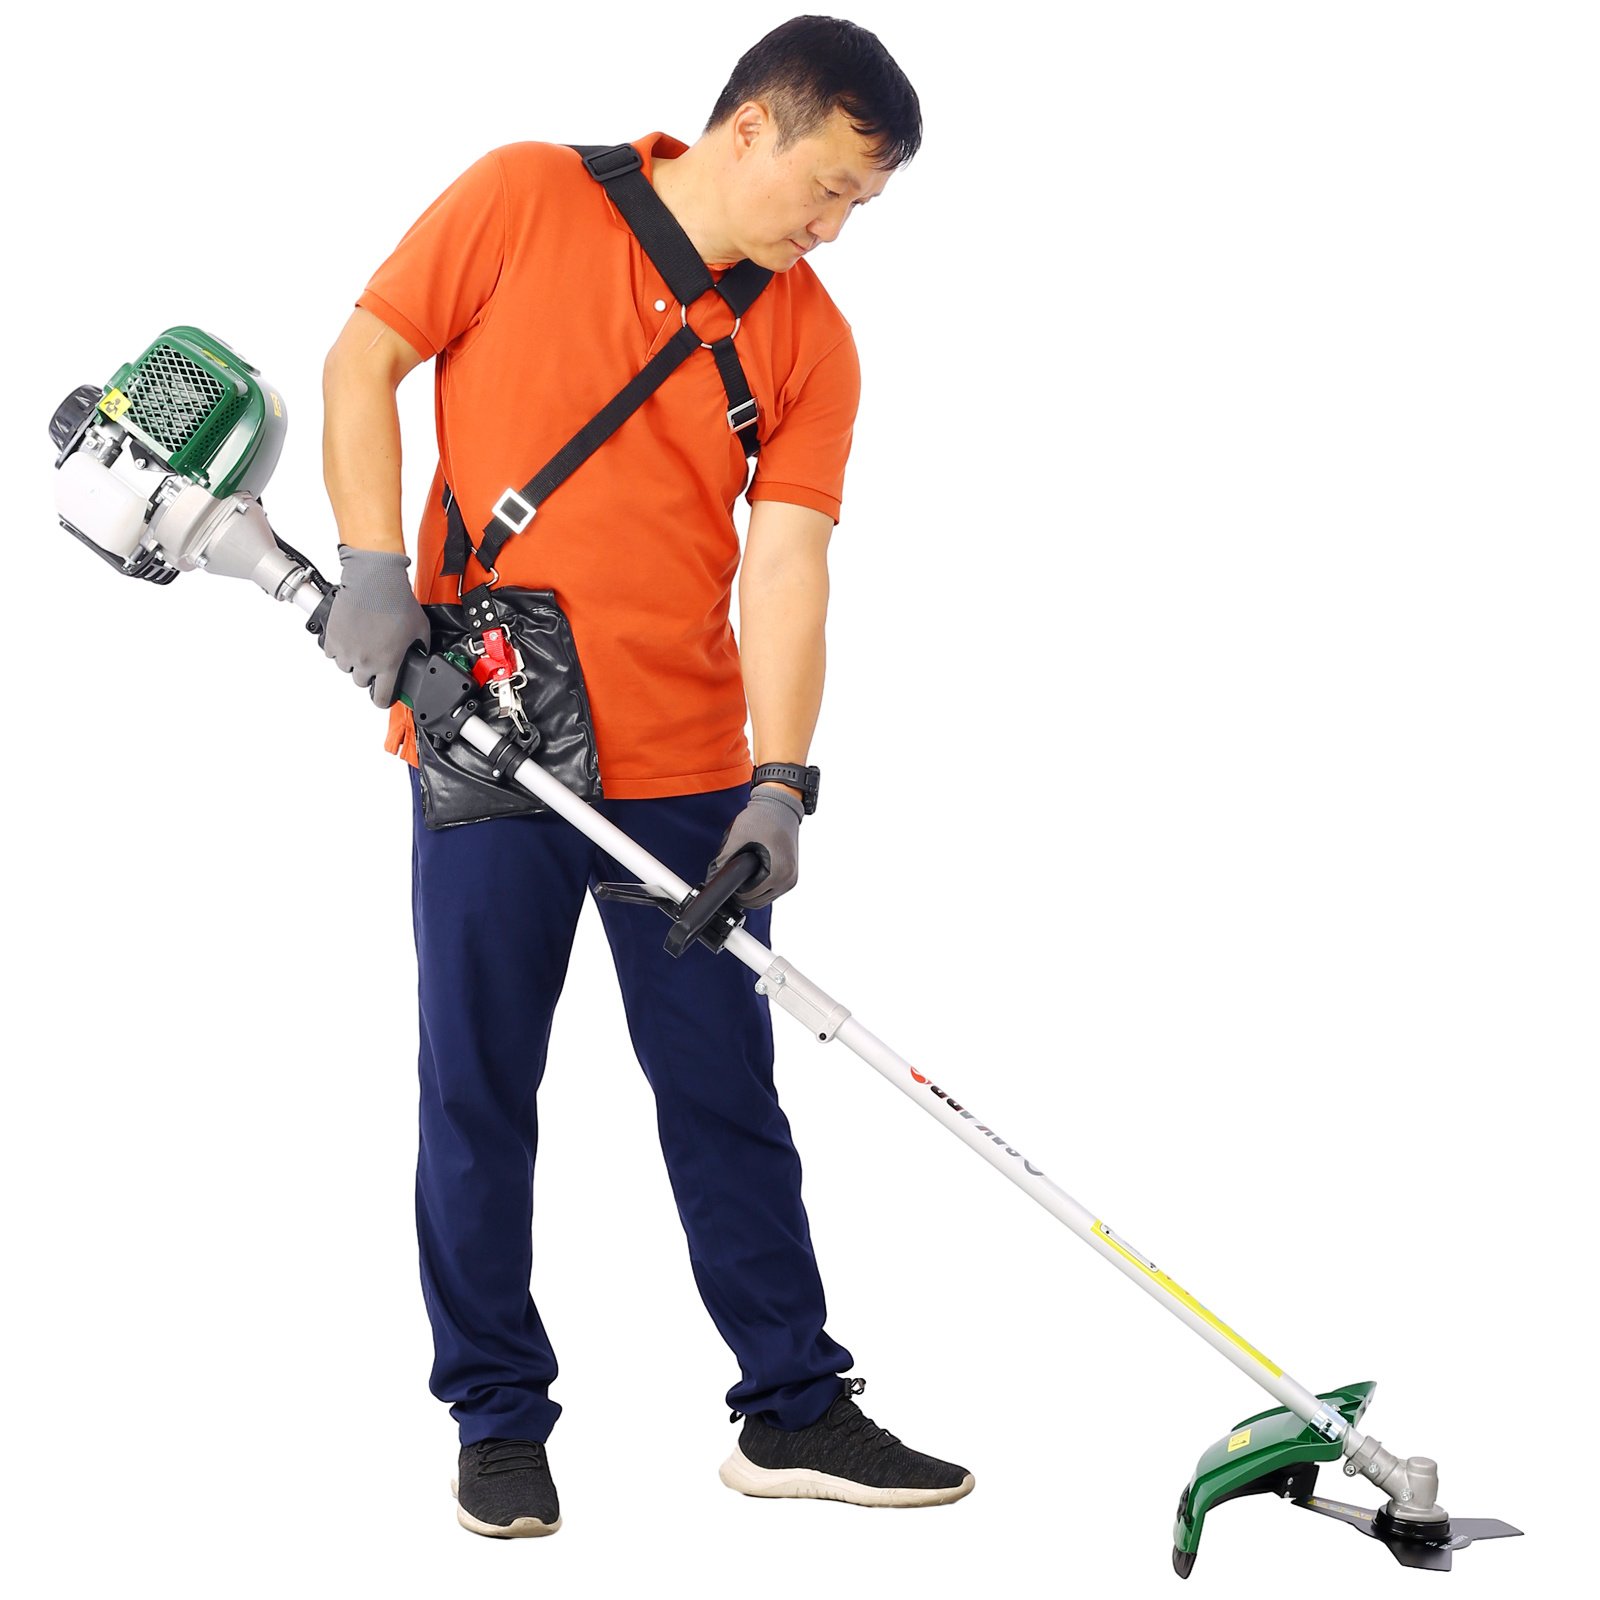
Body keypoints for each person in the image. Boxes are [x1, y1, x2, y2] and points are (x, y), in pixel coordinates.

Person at [320, 14, 971, 1538]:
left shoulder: (811, 338)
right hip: (493, 730)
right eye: (827, 188)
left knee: (725, 1093)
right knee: (479, 1085)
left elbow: (788, 565)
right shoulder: (527, 194)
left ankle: (791, 1409)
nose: (833, 229)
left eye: (862, 206)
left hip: (685, 769)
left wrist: (782, 782)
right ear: (750, 127)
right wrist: (370, 563)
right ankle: (496, 1417)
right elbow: (366, 358)